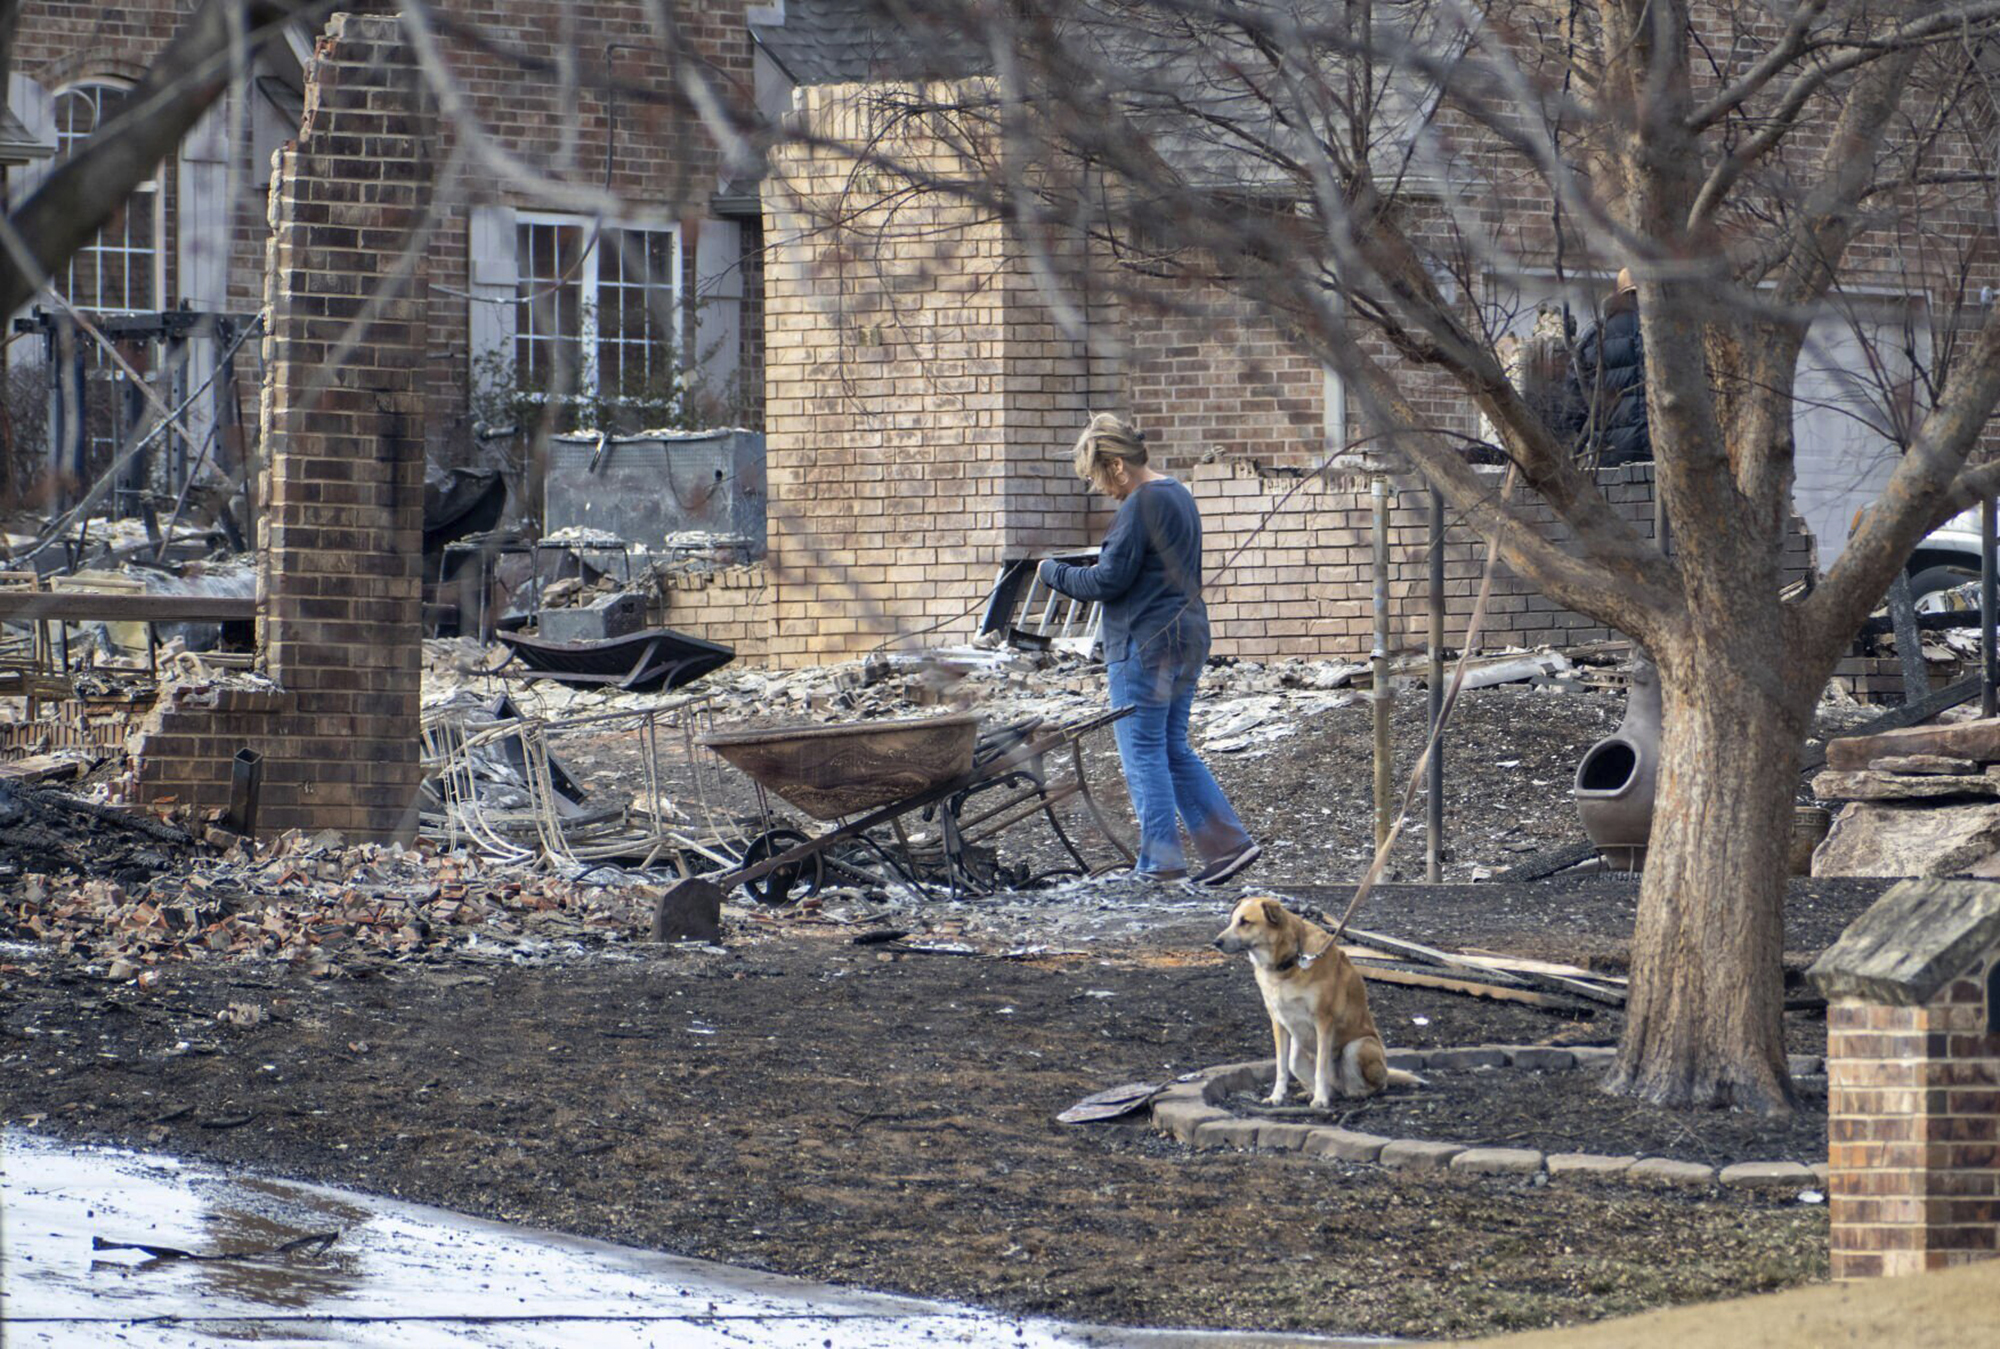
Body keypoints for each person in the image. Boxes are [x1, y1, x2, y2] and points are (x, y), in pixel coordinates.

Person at [1039, 414, 1261, 886]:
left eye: (1098, 476)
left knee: (1143, 751)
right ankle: (1228, 847)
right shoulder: (1178, 494)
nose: (1101, 488)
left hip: (1144, 644)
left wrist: (1051, 572)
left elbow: (1107, 579)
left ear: (1117, 466)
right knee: (1171, 748)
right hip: (1187, 636)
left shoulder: (1140, 504)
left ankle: (1161, 864)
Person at [1563, 267, 1652, 467]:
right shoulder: (1675, 332)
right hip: (1669, 454)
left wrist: (1598, 433)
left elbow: (1573, 409)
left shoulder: (1594, 337)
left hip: (1611, 457)